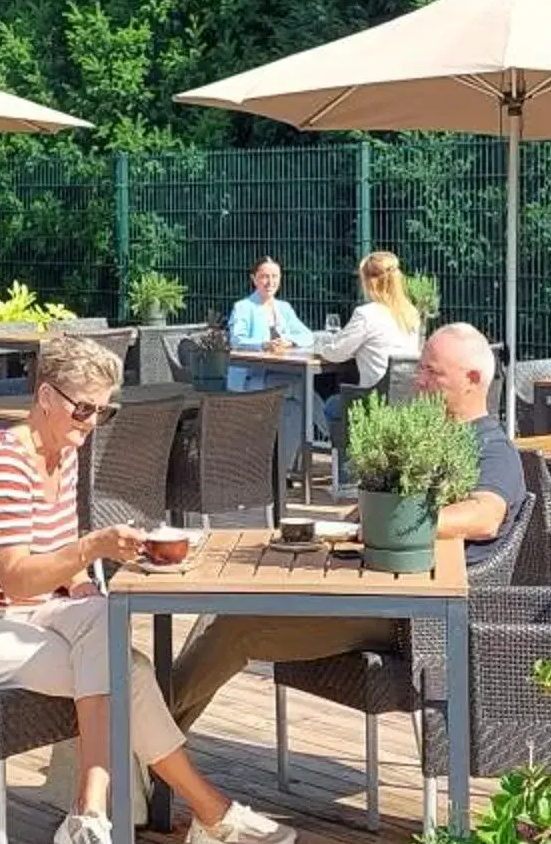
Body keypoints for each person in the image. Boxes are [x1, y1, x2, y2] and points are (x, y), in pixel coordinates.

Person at [0, 334, 299, 844]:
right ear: (46, 396)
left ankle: (95, 813)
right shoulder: (6, 461)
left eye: (104, 410)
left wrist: (80, 579)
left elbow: (55, 550)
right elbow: (15, 575)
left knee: (106, 622)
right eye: (84, 408)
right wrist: (90, 551)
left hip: (32, 613)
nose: (94, 421)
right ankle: (203, 815)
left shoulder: (65, 450)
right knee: (128, 668)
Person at [164, 323, 528, 730]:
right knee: (224, 607)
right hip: (367, 585)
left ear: (474, 379)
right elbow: (365, 513)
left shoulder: (492, 448)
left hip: (413, 614)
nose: (419, 381)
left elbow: (484, 517)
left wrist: (391, 522)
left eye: (433, 373)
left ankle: (139, 736)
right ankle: (151, 752)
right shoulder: (424, 440)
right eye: (421, 369)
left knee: (236, 625)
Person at [315, 251, 423, 426]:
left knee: (332, 406)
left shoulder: (367, 314)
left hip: (375, 399)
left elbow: (337, 352)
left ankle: (345, 453)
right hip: (405, 399)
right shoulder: (411, 313)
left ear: (369, 282)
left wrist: (319, 347)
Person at [220, 257, 313, 393]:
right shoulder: (243, 307)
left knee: (305, 387)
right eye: (264, 277)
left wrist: (290, 341)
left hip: (282, 371)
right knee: (301, 387)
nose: (270, 282)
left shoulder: (284, 308)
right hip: (251, 378)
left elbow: (308, 336)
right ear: (254, 279)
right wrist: (264, 345)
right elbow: (236, 341)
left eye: (275, 276)